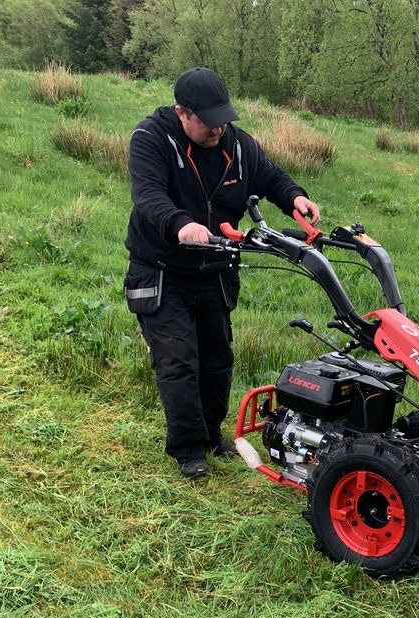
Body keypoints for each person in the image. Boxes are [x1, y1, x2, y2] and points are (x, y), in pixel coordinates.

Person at [124, 67, 320, 479]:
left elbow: (269, 176)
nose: (218, 129)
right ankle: (189, 449)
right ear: (182, 113)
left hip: (215, 268)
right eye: (209, 122)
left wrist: (295, 197)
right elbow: (148, 196)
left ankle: (212, 434)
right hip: (163, 268)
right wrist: (180, 223)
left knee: (217, 360)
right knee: (179, 361)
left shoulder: (238, 145)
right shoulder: (151, 139)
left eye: (224, 119)